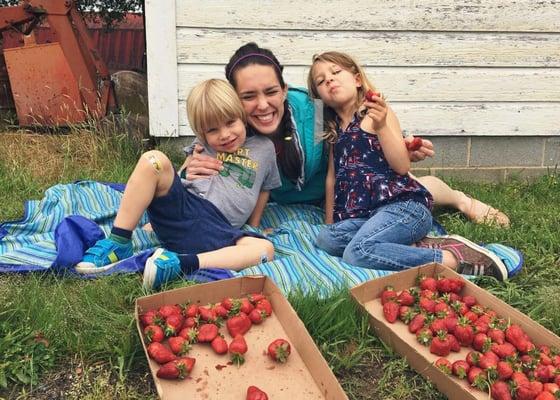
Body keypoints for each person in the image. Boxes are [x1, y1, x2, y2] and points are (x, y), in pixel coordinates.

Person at [185, 42, 509, 227]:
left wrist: (396, 148)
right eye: (248, 96)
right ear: (235, 99)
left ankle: (460, 199)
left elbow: (351, 149)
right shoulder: (231, 123)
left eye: (270, 91)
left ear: (284, 90)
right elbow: (207, 137)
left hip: (342, 193)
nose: (262, 104)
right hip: (315, 202)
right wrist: (192, 168)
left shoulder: (312, 112)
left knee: (406, 189)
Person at [307, 50, 507, 280]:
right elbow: (332, 178)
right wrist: (331, 224)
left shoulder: (376, 114)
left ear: (357, 79)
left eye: (336, 72)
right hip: (368, 217)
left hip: (402, 207)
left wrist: (382, 126)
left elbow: (402, 166)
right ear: (319, 96)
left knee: (357, 253)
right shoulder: (335, 132)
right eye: (321, 81)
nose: (329, 79)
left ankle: (454, 258)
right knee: (326, 239)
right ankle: (413, 246)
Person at [76, 79, 280, 289]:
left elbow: (264, 188)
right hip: (184, 209)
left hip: (217, 230)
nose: (225, 134)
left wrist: (253, 226)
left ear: (243, 117)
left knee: (265, 249)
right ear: (201, 133)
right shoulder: (201, 145)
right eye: (212, 130)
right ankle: (119, 242)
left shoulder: (264, 149)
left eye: (230, 123)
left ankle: (179, 264)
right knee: (153, 159)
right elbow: (179, 176)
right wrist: (184, 171)